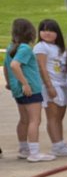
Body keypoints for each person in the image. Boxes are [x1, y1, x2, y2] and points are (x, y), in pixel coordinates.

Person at [5, 18, 54, 162]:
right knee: (35, 120)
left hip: (17, 89)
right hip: (30, 89)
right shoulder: (25, 48)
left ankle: (24, 148)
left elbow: (7, 68)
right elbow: (14, 65)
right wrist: (25, 84)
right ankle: (34, 152)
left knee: (24, 120)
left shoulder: (11, 47)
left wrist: (10, 83)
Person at [34, 19, 67, 156]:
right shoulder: (41, 47)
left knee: (59, 116)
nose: (47, 33)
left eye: (51, 30)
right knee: (53, 116)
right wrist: (49, 86)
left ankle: (60, 142)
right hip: (52, 85)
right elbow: (42, 67)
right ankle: (56, 145)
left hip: (63, 84)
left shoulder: (59, 49)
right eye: (44, 29)